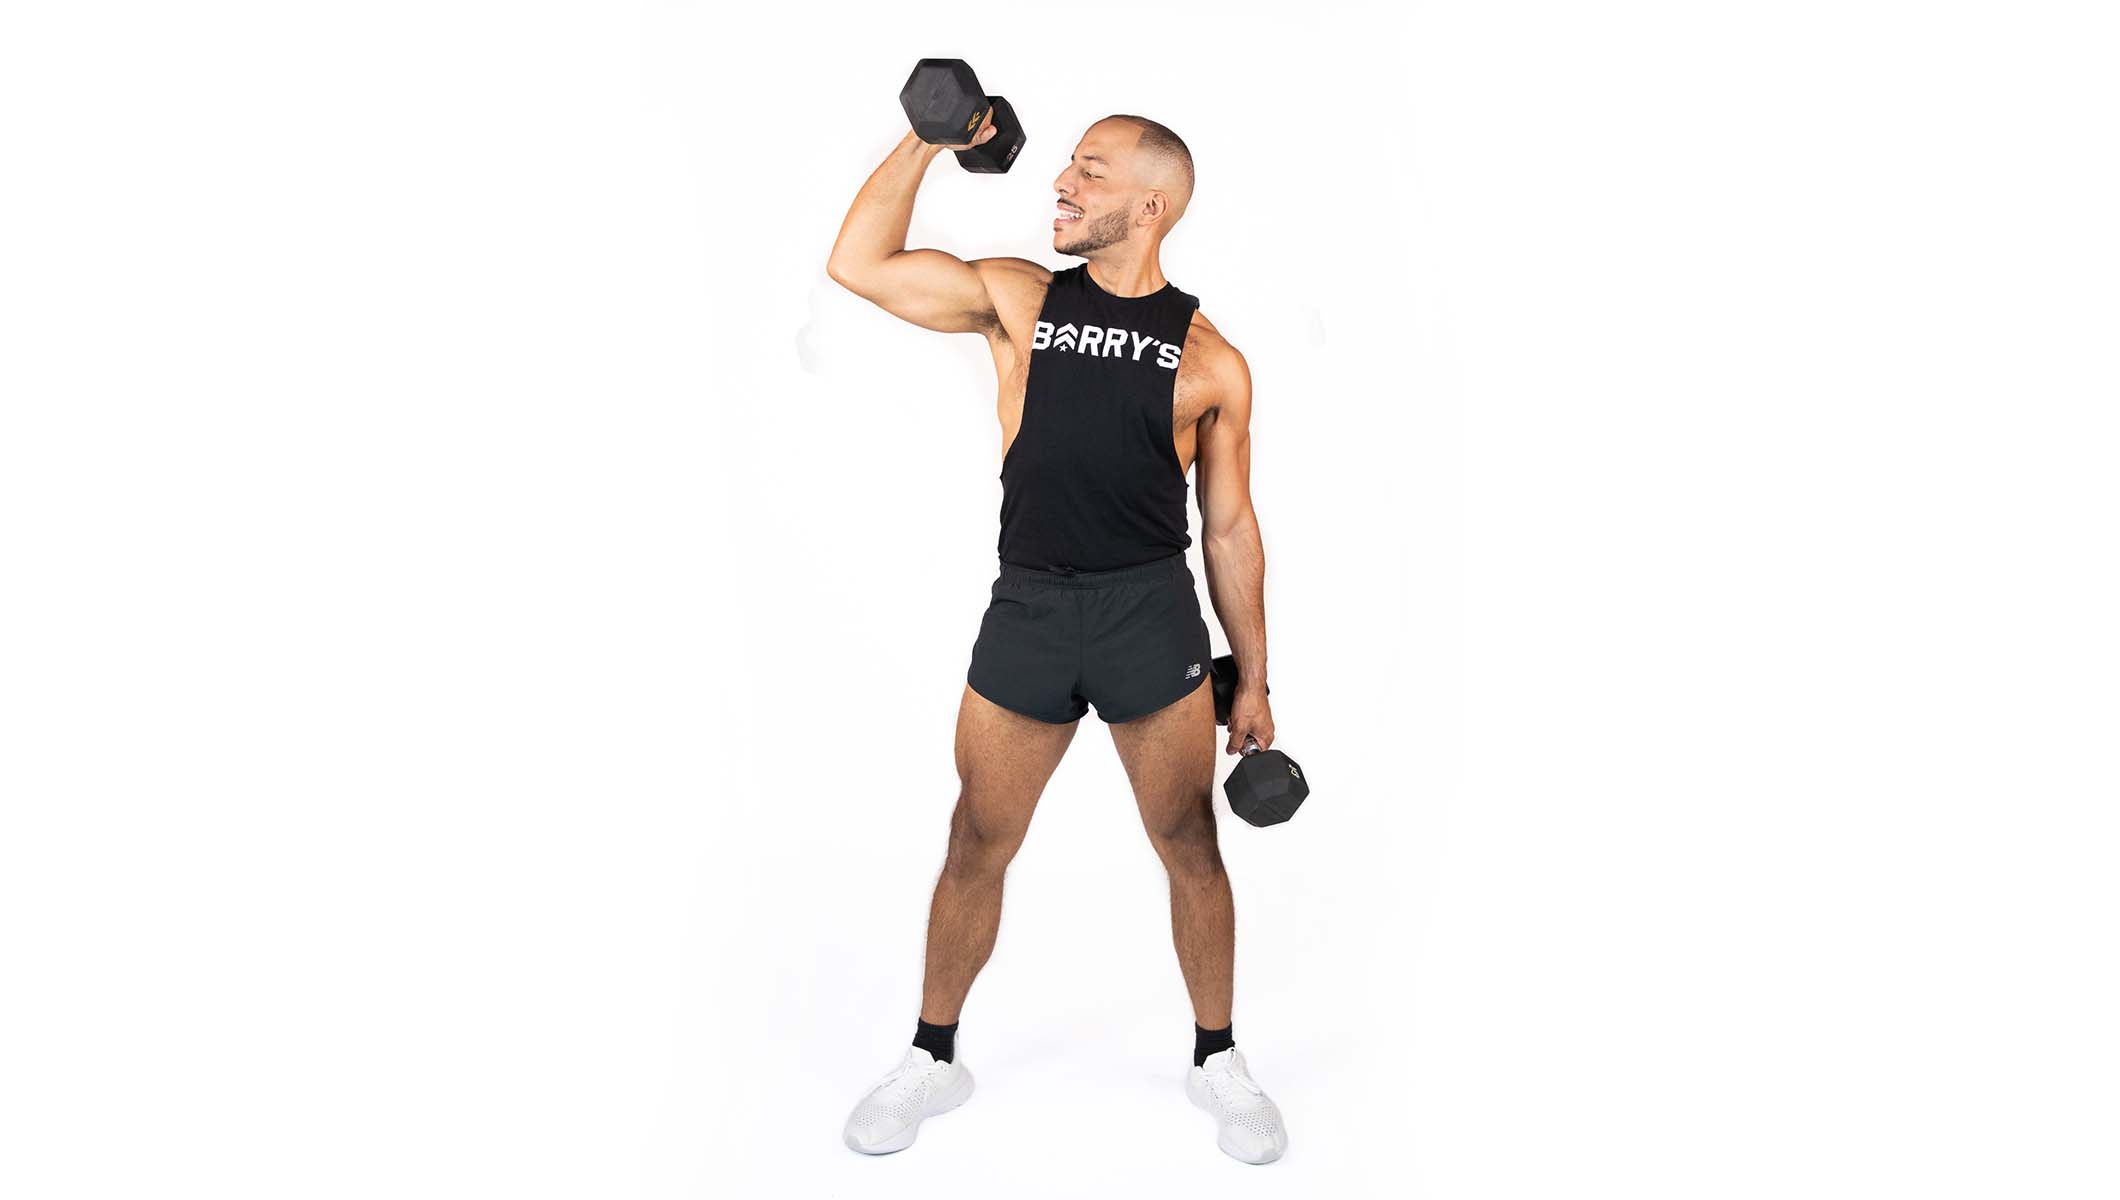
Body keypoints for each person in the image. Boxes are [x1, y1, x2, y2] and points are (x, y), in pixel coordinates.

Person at [824, 106, 1287, 1165]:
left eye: (1091, 171)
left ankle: (1216, 1058)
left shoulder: (1212, 362)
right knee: (976, 840)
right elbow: (859, 265)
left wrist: (1255, 677)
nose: (1062, 184)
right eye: (1068, 166)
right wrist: (930, 138)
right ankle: (932, 1056)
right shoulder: (1018, 299)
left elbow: (1228, 526)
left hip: (1148, 617)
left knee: (1188, 842)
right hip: (1029, 610)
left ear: (1150, 205)